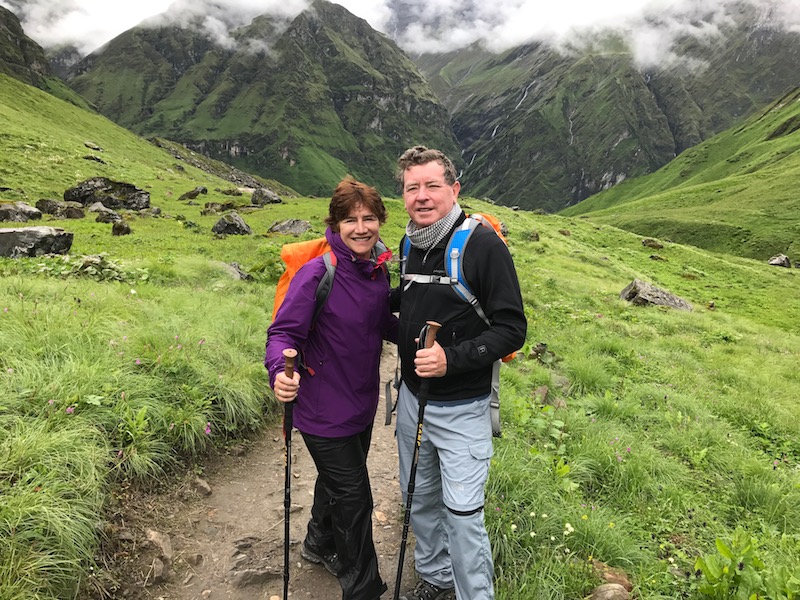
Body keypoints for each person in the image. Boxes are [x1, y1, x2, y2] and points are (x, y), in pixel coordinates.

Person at [392, 146, 527, 600]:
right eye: (412, 188)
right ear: (403, 195)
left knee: (464, 515)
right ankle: (436, 578)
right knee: (418, 498)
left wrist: (451, 359)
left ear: (454, 189)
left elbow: (512, 329)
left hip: (463, 408)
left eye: (432, 186)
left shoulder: (483, 246)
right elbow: (406, 301)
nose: (422, 196)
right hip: (412, 402)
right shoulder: (410, 242)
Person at [265, 176, 397, 600]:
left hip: (360, 402)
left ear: (380, 221)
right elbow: (282, 333)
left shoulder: (376, 269)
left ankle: (319, 543)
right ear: (336, 224)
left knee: (337, 483)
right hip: (322, 409)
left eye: (369, 218)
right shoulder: (318, 273)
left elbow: (380, 322)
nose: (361, 228)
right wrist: (279, 372)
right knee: (355, 499)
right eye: (350, 220)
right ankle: (363, 589)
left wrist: (429, 340)